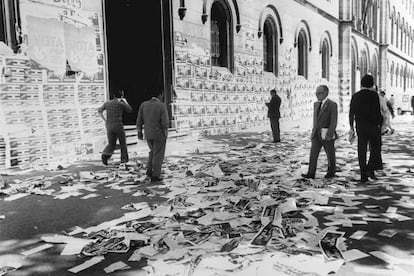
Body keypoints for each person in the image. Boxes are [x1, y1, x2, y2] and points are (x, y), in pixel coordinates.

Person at [349, 75, 382, 183]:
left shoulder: (355, 96)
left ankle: (363, 174)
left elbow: (351, 112)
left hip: (360, 126)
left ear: (361, 84)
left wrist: (351, 127)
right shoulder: (374, 95)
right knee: (375, 148)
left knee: (361, 150)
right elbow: (377, 111)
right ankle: (370, 168)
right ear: (372, 84)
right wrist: (380, 123)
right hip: (372, 126)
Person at [302, 85, 338, 179]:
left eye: (320, 93)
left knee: (330, 154)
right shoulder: (316, 104)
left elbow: (333, 121)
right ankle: (311, 173)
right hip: (316, 134)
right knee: (313, 154)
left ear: (326, 93)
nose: (317, 95)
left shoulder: (332, 104)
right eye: (316, 93)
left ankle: (331, 172)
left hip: (326, 133)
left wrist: (330, 134)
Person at [136, 90, 169, 182]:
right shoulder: (162, 105)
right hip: (159, 134)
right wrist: (166, 133)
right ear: (160, 94)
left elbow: (139, 121)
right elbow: (165, 123)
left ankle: (149, 171)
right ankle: (156, 175)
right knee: (158, 154)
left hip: (148, 134)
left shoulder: (143, 105)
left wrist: (140, 132)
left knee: (152, 152)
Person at [98, 89, 132, 166]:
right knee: (122, 142)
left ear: (113, 95)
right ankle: (124, 159)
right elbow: (129, 110)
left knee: (111, 143)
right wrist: (125, 101)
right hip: (118, 124)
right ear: (122, 96)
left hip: (109, 124)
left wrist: (104, 119)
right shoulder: (120, 103)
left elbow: (99, 111)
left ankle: (105, 155)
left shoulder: (107, 103)